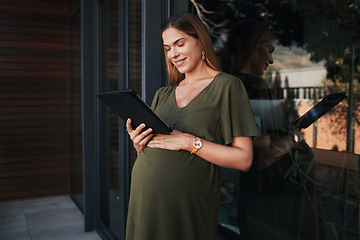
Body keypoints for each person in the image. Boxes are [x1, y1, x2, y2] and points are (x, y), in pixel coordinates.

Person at [125, 12, 259, 240]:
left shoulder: (227, 86)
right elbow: (158, 146)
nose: (173, 54)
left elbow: (244, 159)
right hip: (144, 196)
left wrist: (189, 142)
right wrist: (140, 145)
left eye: (180, 43)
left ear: (200, 41)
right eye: (167, 48)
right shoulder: (163, 94)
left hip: (186, 205)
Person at [223, 20, 324, 239]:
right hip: (276, 201)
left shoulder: (226, 85)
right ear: (253, 45)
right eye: (269, 50)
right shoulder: (254, 87)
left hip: (251, 195)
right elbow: (264, 157)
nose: (271, 60)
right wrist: (293, 138)